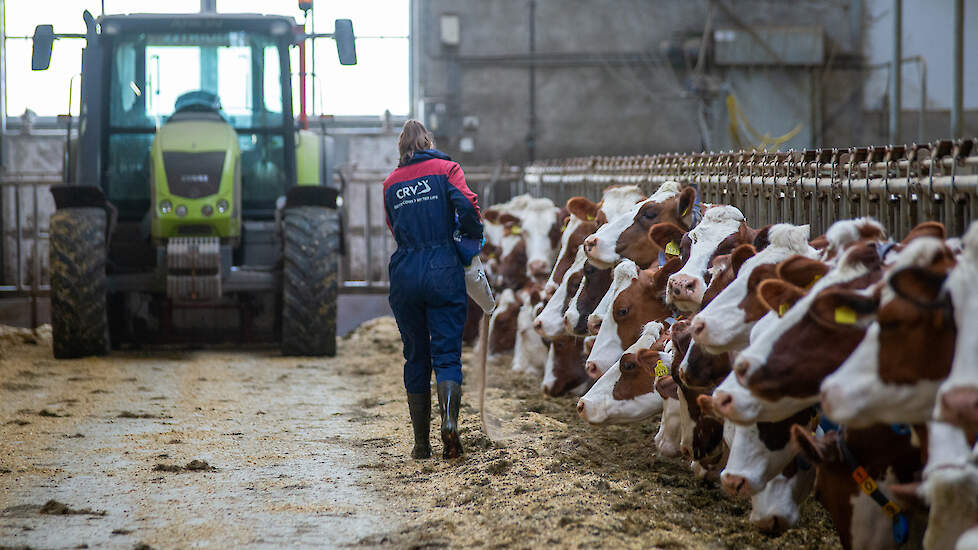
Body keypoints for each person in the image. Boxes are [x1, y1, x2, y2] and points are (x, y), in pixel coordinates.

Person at [383, 120, 483, 459]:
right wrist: (470, 235)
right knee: (447, 354)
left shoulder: (390, 184)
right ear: (428, 141)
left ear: (401, 148)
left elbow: (392, 225)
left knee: (415, 354)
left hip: (405, 271)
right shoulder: (447, 169)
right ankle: (450, 425)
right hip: (442, 267)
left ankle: (420, 444)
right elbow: (468, 207)